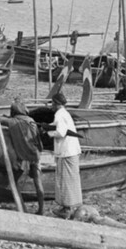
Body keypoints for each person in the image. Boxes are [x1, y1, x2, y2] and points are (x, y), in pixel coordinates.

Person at [48, 91, 83, 219]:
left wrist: (48, 133)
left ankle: (66, 209)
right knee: (71, 179)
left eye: (52, 103)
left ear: (56, 103)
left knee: (65, 180)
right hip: (72, 150)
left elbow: (61, 133)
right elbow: (60, 127)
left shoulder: (58, 114)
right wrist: (50, 126)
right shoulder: (64, 113)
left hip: (66, 151)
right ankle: (69, 207)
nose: (51, 105)